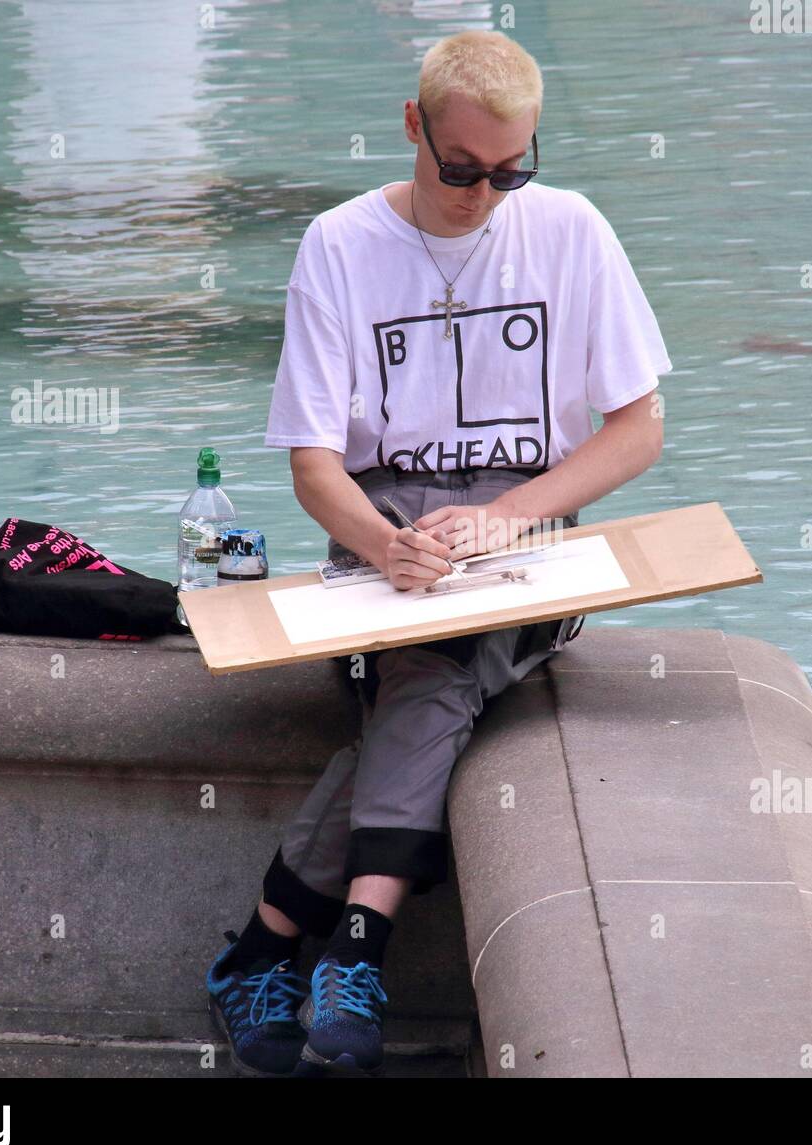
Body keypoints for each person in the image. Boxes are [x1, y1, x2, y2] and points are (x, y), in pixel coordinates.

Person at [206, 28, 671, 1077]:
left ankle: (276, 948)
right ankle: (324, 954)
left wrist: (514, 515)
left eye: (511, 172)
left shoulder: (571, 230)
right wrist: (385, 546)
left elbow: (638, 427)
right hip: (381, 529)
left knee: (433, 668)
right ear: (413, 127)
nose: (483, 196)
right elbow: (314, 466)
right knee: (437, 667)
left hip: (526, 531)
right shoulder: (338, 243)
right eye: (460, 171)